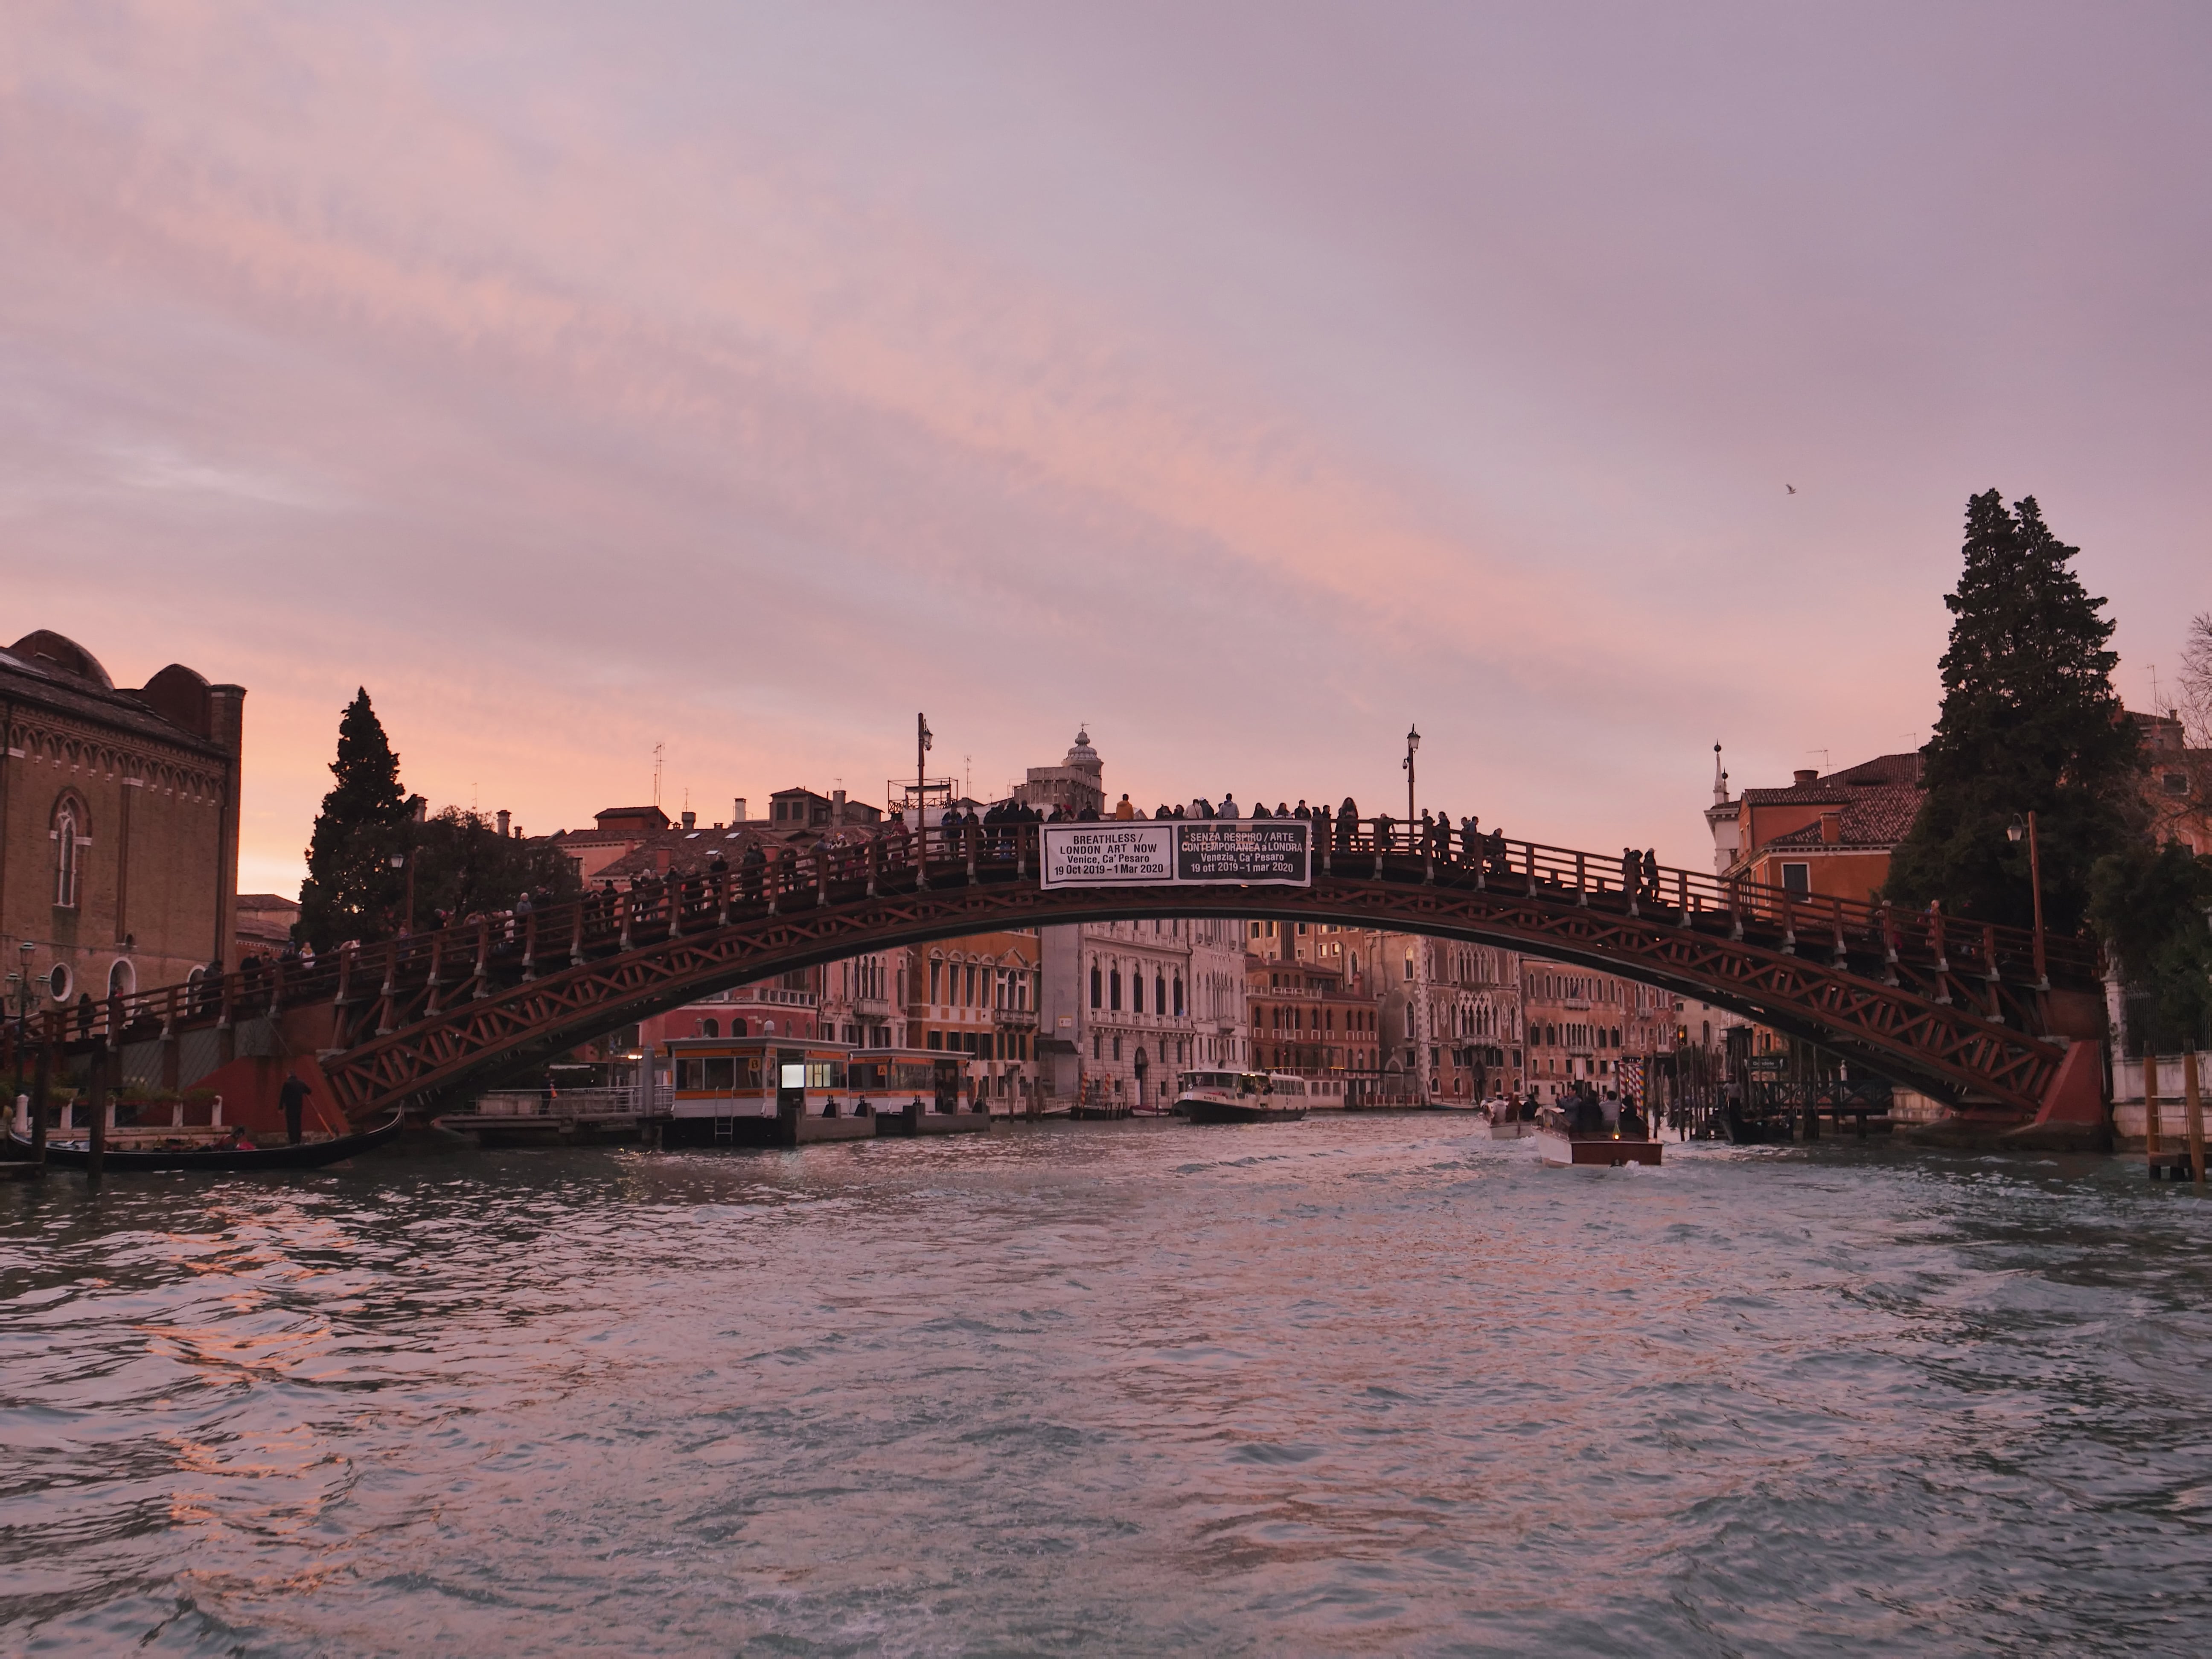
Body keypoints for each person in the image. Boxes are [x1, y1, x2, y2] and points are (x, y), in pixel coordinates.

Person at [279, 1071, 312, 1146]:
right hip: (299, 1107)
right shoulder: (301, 1083)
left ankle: (293, 1141)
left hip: (290, 1107)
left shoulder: (287, 1084)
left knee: (291, 1124)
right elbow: (309, 1091)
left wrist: (281, 1107)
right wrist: (303, 1091)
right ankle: (298, 1140)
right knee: (298, 1123)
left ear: (289, 1075)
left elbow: (283, 1096)